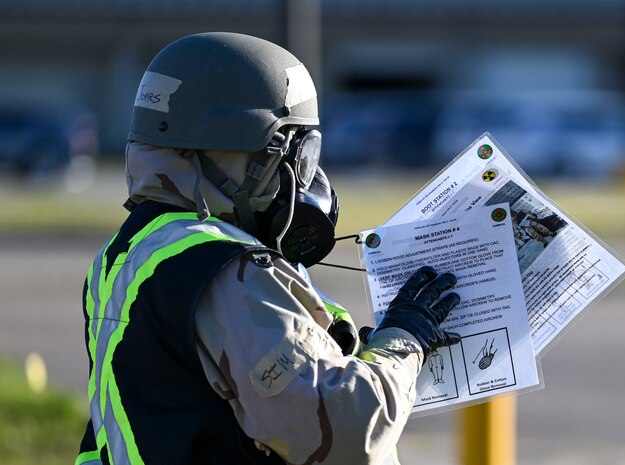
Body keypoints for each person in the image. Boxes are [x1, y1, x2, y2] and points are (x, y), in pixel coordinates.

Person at [74, 32, 461, 465]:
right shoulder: (224, 269)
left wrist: (341, 356)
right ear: (248, 152)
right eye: (300, 156)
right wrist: (405, 341)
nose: (306, 180)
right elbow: (349, 431)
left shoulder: (131, 251)